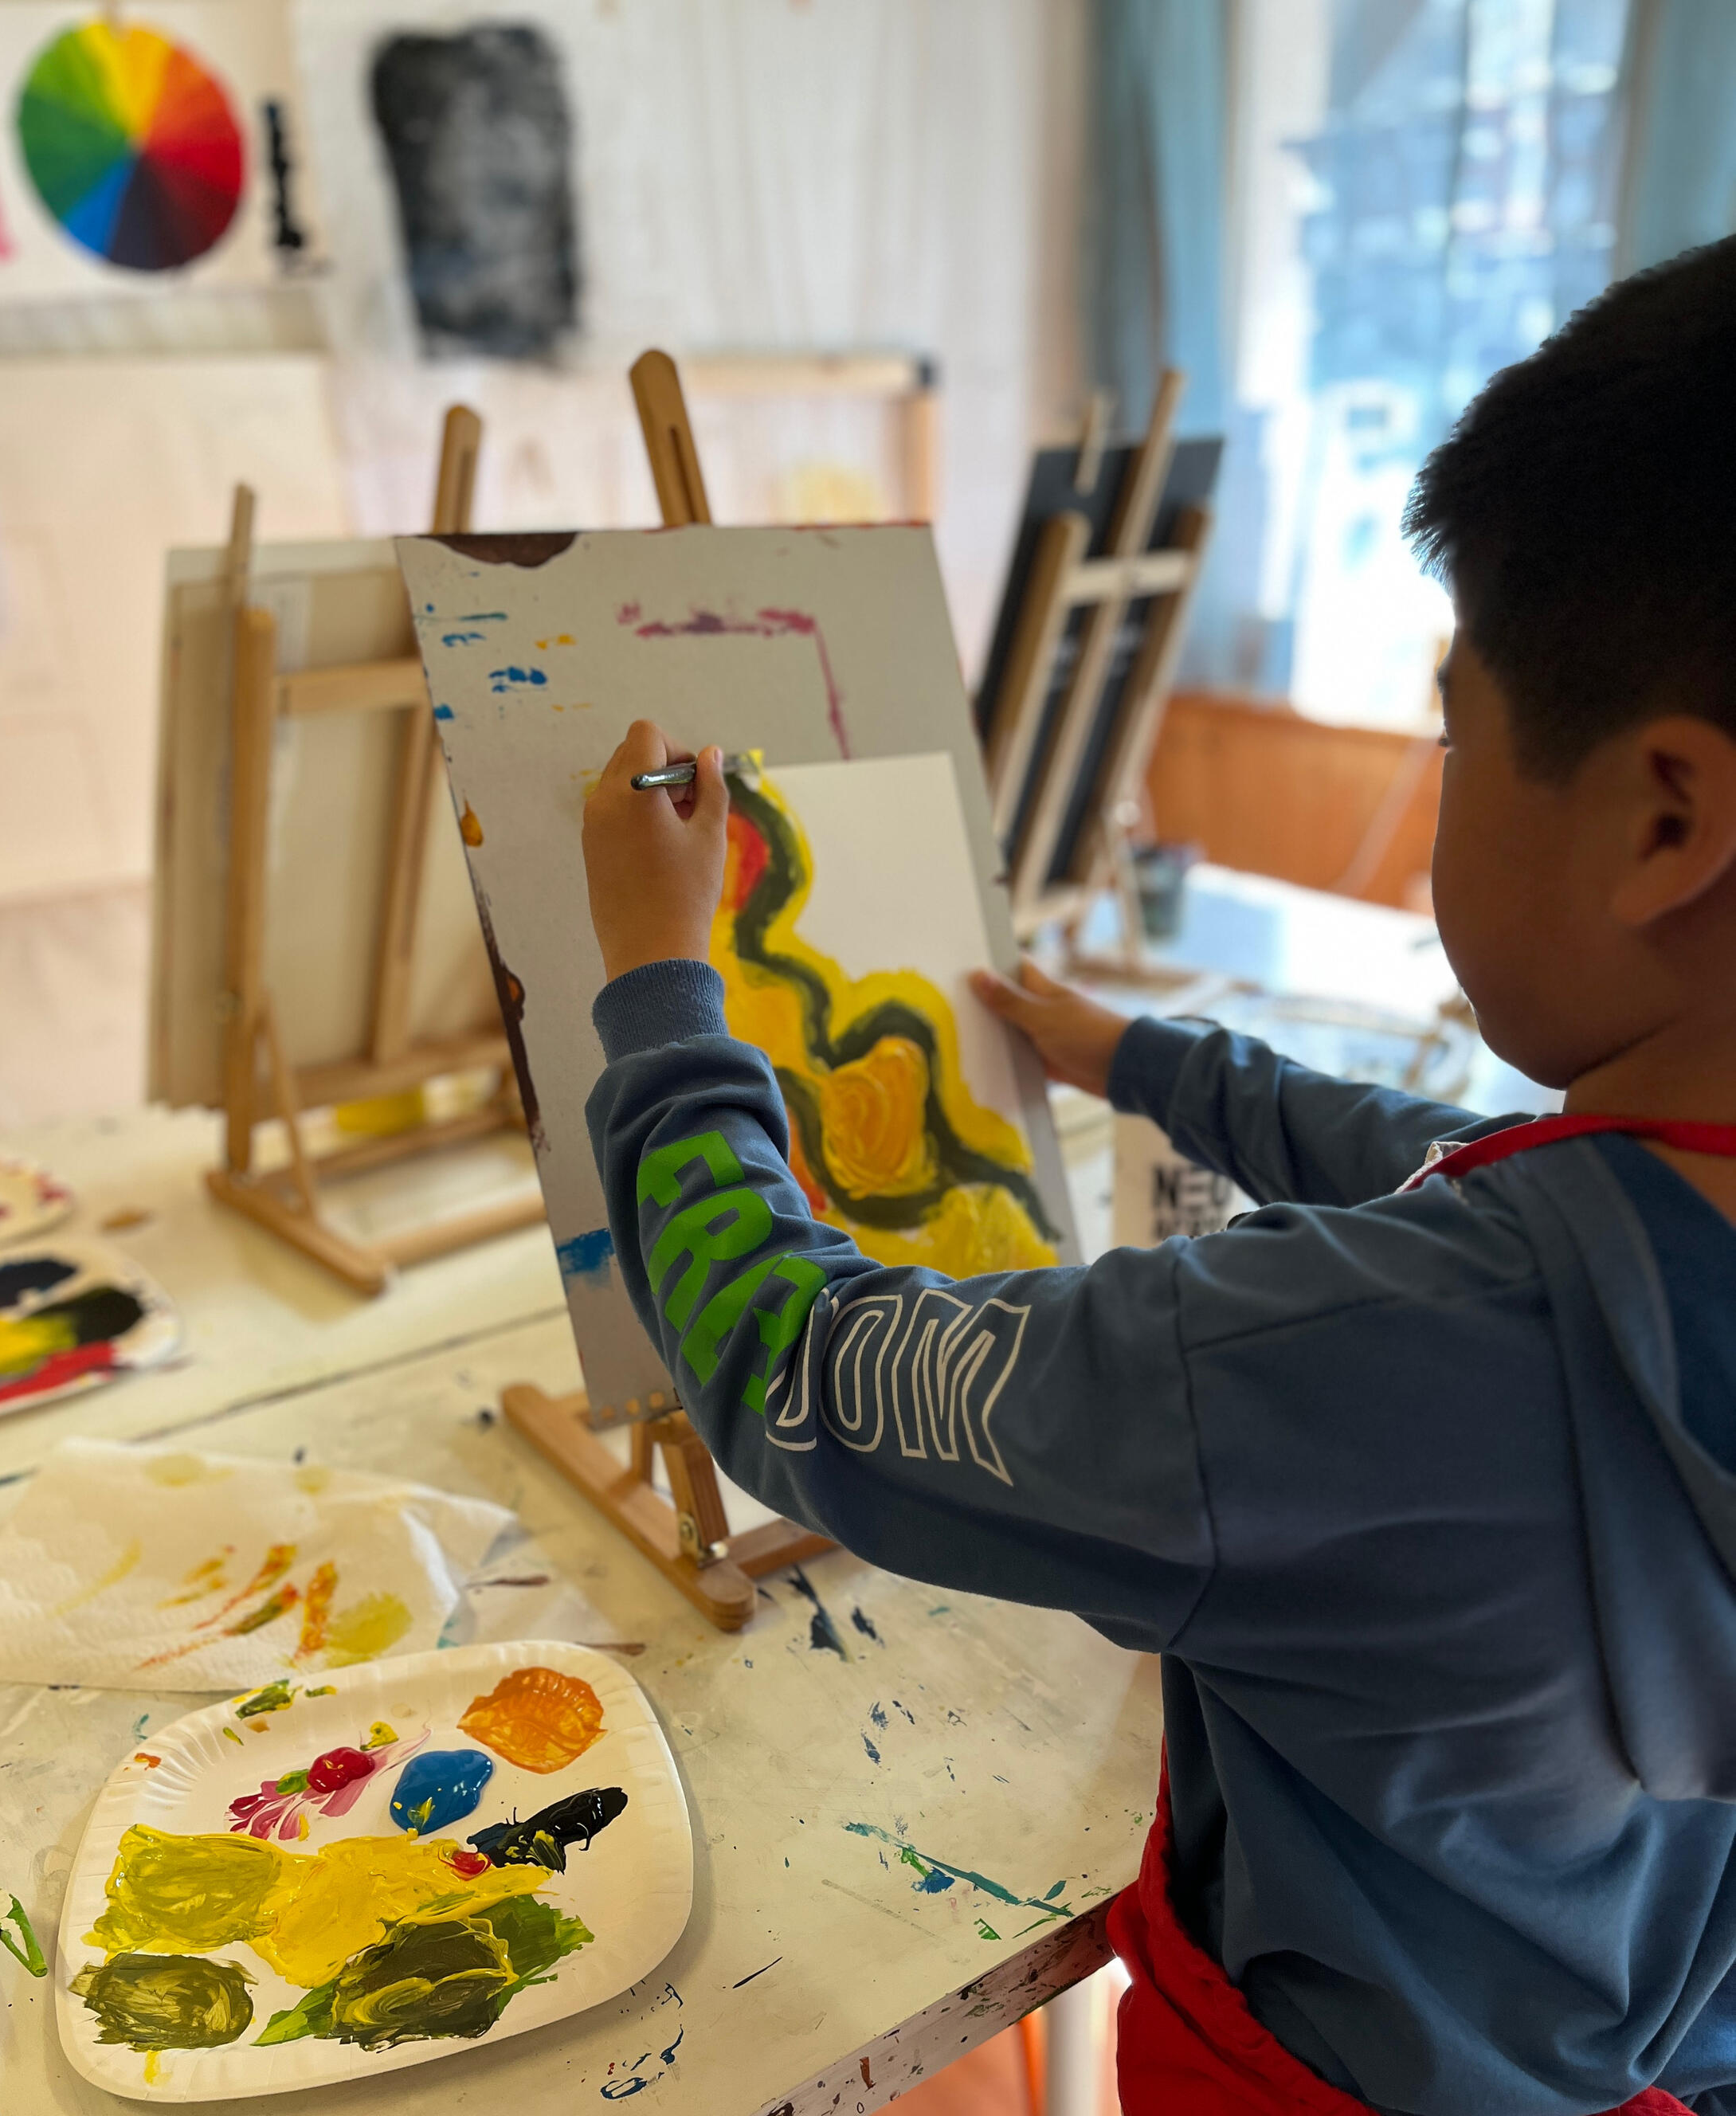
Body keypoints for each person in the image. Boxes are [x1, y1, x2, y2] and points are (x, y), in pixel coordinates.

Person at [577, 236, 1736, 2115]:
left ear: (1665, 818)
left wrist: (656, 990)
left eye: (1457, 729)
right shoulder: (1647, 1228)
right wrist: (1152, 1062)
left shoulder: (1330, 1372)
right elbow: (1475, 1178)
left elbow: (796, 1363)